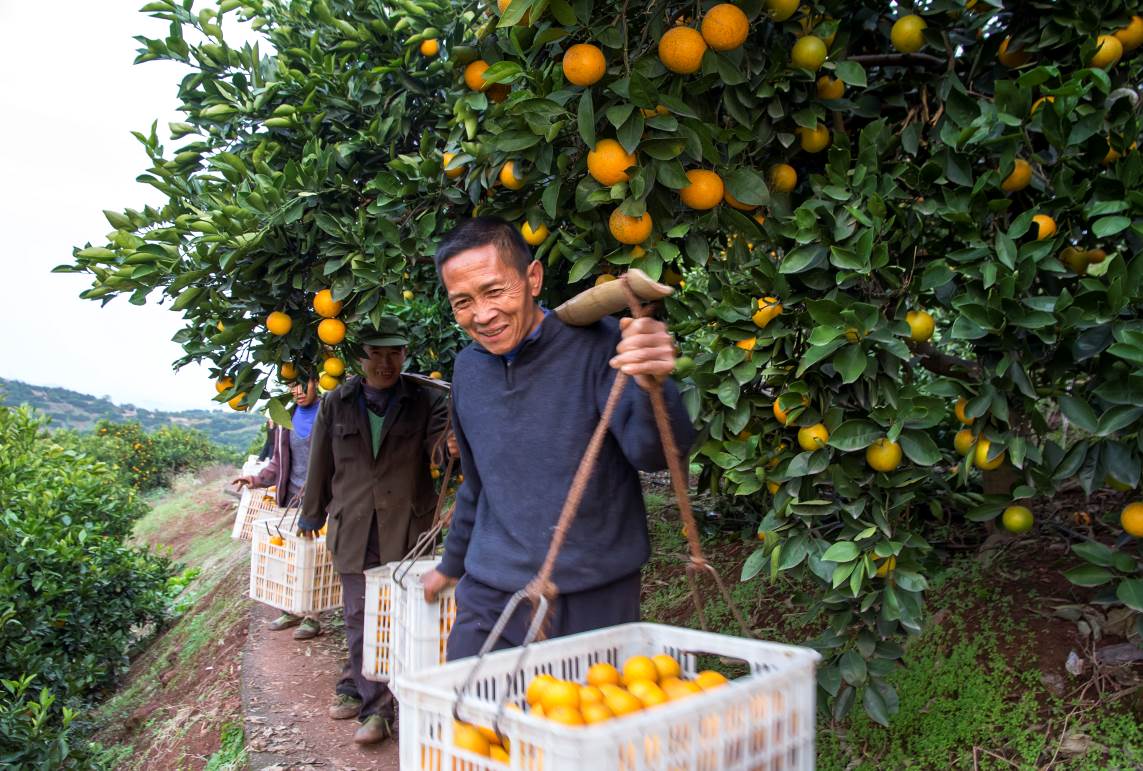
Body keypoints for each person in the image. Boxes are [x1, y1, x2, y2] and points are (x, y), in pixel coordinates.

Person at [420, 216, 696, 660]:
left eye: (494, 291)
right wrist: (451, 565)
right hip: (491, 592)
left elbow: (656, 455)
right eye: (463, 302)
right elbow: (477, 481)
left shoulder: (600, 345)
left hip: (592, 593)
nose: (483, 315)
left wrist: (654, 387)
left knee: (580, 721)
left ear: (533, 278)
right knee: (466, 719)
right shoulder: (468, 370)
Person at [297, 317, 450, 745]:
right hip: (354, 527)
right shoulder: (337, 401)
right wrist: (311, 515)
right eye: (376, 353)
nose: (386, 362)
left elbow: (437, 452)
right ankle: (377, 711)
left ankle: (368, 683)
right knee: (361, 616)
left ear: (405, 354)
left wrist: (450, 444)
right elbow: (320, 465)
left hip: (407, 527)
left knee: (404, 615)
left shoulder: (425, 401)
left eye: (394, 352)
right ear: (359, 356)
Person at [233, 378, 324, 639]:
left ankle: (312, 616)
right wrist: (256, 479)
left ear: (316, 382)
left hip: (321, 501)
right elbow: (277, 461)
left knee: (314, 559)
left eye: (302, 384)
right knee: (289, 556)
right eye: (291, 386)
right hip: (292, 498)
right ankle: (290, 609)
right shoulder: (286, 418)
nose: (297, 392)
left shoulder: (327, 412)